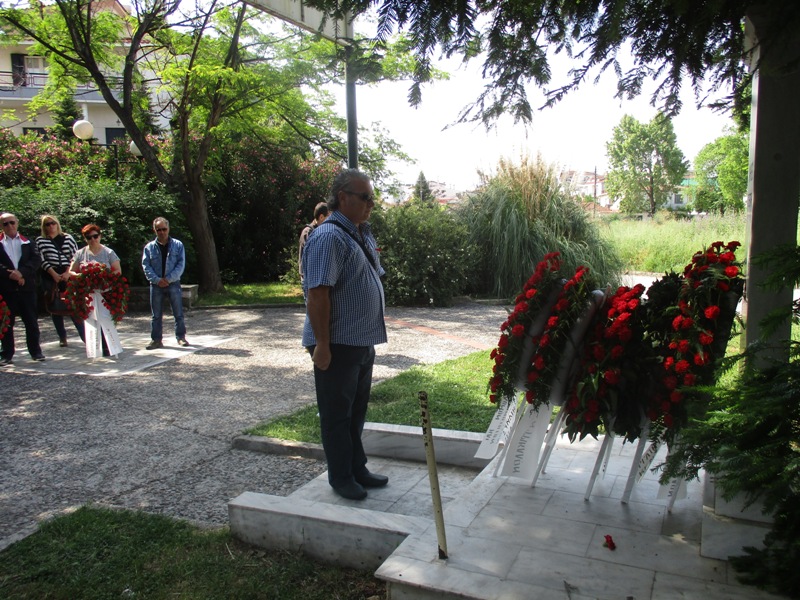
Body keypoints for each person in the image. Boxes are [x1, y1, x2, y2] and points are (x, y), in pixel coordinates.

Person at [301, 169, 388, 501]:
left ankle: (356, 467)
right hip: (336, 343)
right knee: (337, 414)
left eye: (371, 198)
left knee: (355, 411)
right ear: (342, 197)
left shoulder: (359, 233)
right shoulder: (328, 237)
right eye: (365, 198)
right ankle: (341, 477)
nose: (370, 204)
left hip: (360, 340)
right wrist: (322, 345)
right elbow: (317, 294)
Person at [70, 224, 122, 357]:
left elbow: (117, 271)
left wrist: (104, 276)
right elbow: (71, 271)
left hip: (106, 292)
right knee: (91, 320)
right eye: (89, 237)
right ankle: (95, 347)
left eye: (95, 236)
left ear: (100, 236)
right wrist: (82, 276)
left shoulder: (109, 252)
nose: (93, 239)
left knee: (105, 319)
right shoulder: (80, 253)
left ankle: (109, 346)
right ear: (85, 239)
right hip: (87, 293)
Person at [0, 212, 45, 365]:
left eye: (12, 222)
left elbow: (36, 260)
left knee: (31, 321)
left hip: (26, 288)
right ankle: (6, 354)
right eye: (5, 223)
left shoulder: (28, 242)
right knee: (6, 322)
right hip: (6, 288)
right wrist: (11, 274)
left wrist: (21, 273)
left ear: (17, 223)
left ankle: (36, 352)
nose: (9, 226)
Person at [35, 215, 85, 347]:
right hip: (50, 275)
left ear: (57, 224)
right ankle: (62, 336)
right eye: (47, 224)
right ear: (44, 227)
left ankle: (84, 336)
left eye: (53, 223)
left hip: (67, 273)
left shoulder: (68, 238)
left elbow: (75, 256)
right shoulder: (41, 240)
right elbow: (41, 259)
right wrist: (53, 274)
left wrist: (68, 272)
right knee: (54, 305)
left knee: (74, 305)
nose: (51, 226)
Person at [141, 217, 188, 350]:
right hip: (156, 285)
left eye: (164, 229)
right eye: (158, 230)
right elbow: (146, 266)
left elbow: (181, 264)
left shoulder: (178, 245)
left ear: (168, 229)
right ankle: (156, 340)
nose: (162, 232)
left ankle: (181, 337)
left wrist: (169, 279)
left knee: (178, 312)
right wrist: (157, 280)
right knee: (156, 315)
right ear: (154, 230)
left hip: (173, 283)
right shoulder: (149, 247)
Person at [298, 202, 329, 284]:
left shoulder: (322, 230)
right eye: (329, 217)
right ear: (321, 217)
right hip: (309, 276)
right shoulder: (308, 232)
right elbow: (311, 255)